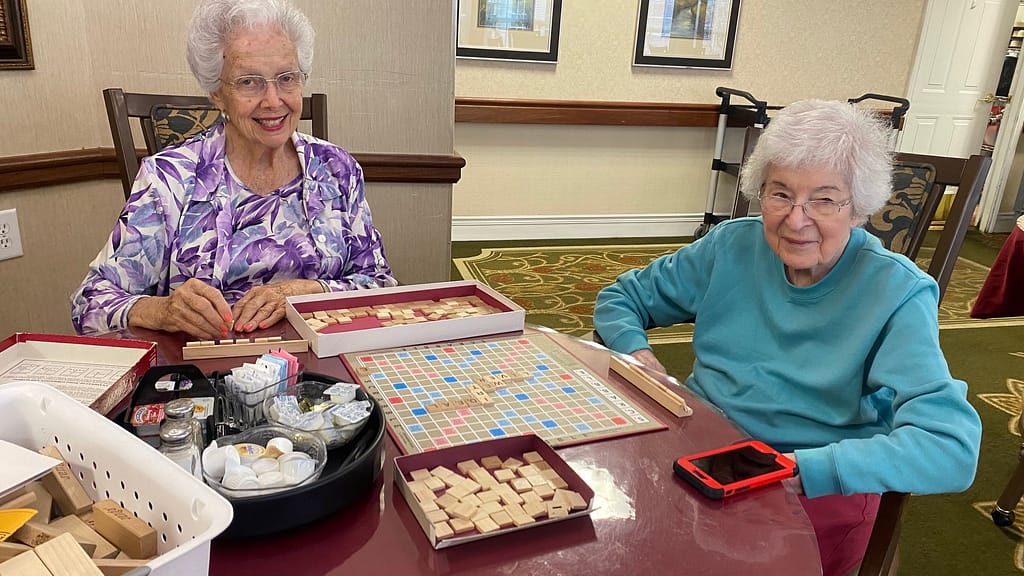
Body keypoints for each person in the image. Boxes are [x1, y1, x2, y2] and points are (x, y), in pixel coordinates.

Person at [593, 100, 981, 576]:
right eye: (780, 194)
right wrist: (638, 355)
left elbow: (951, 449)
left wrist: (809, 471)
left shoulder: (896, 292)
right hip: (699, 456)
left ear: (858, 208)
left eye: (824, 199)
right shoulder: (731, 245)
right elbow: (622, 298)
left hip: (813, 487)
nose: (796, 220)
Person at [72, 0, 396, 340]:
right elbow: (88, 304)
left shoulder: (337, 168)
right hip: (205, 376)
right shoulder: (168, 179)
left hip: (324, 374)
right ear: (217, 93)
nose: (273, 101)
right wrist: (162, 310)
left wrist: (309, 291)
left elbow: (379, 282)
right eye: (249, 82)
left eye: (287, 79)